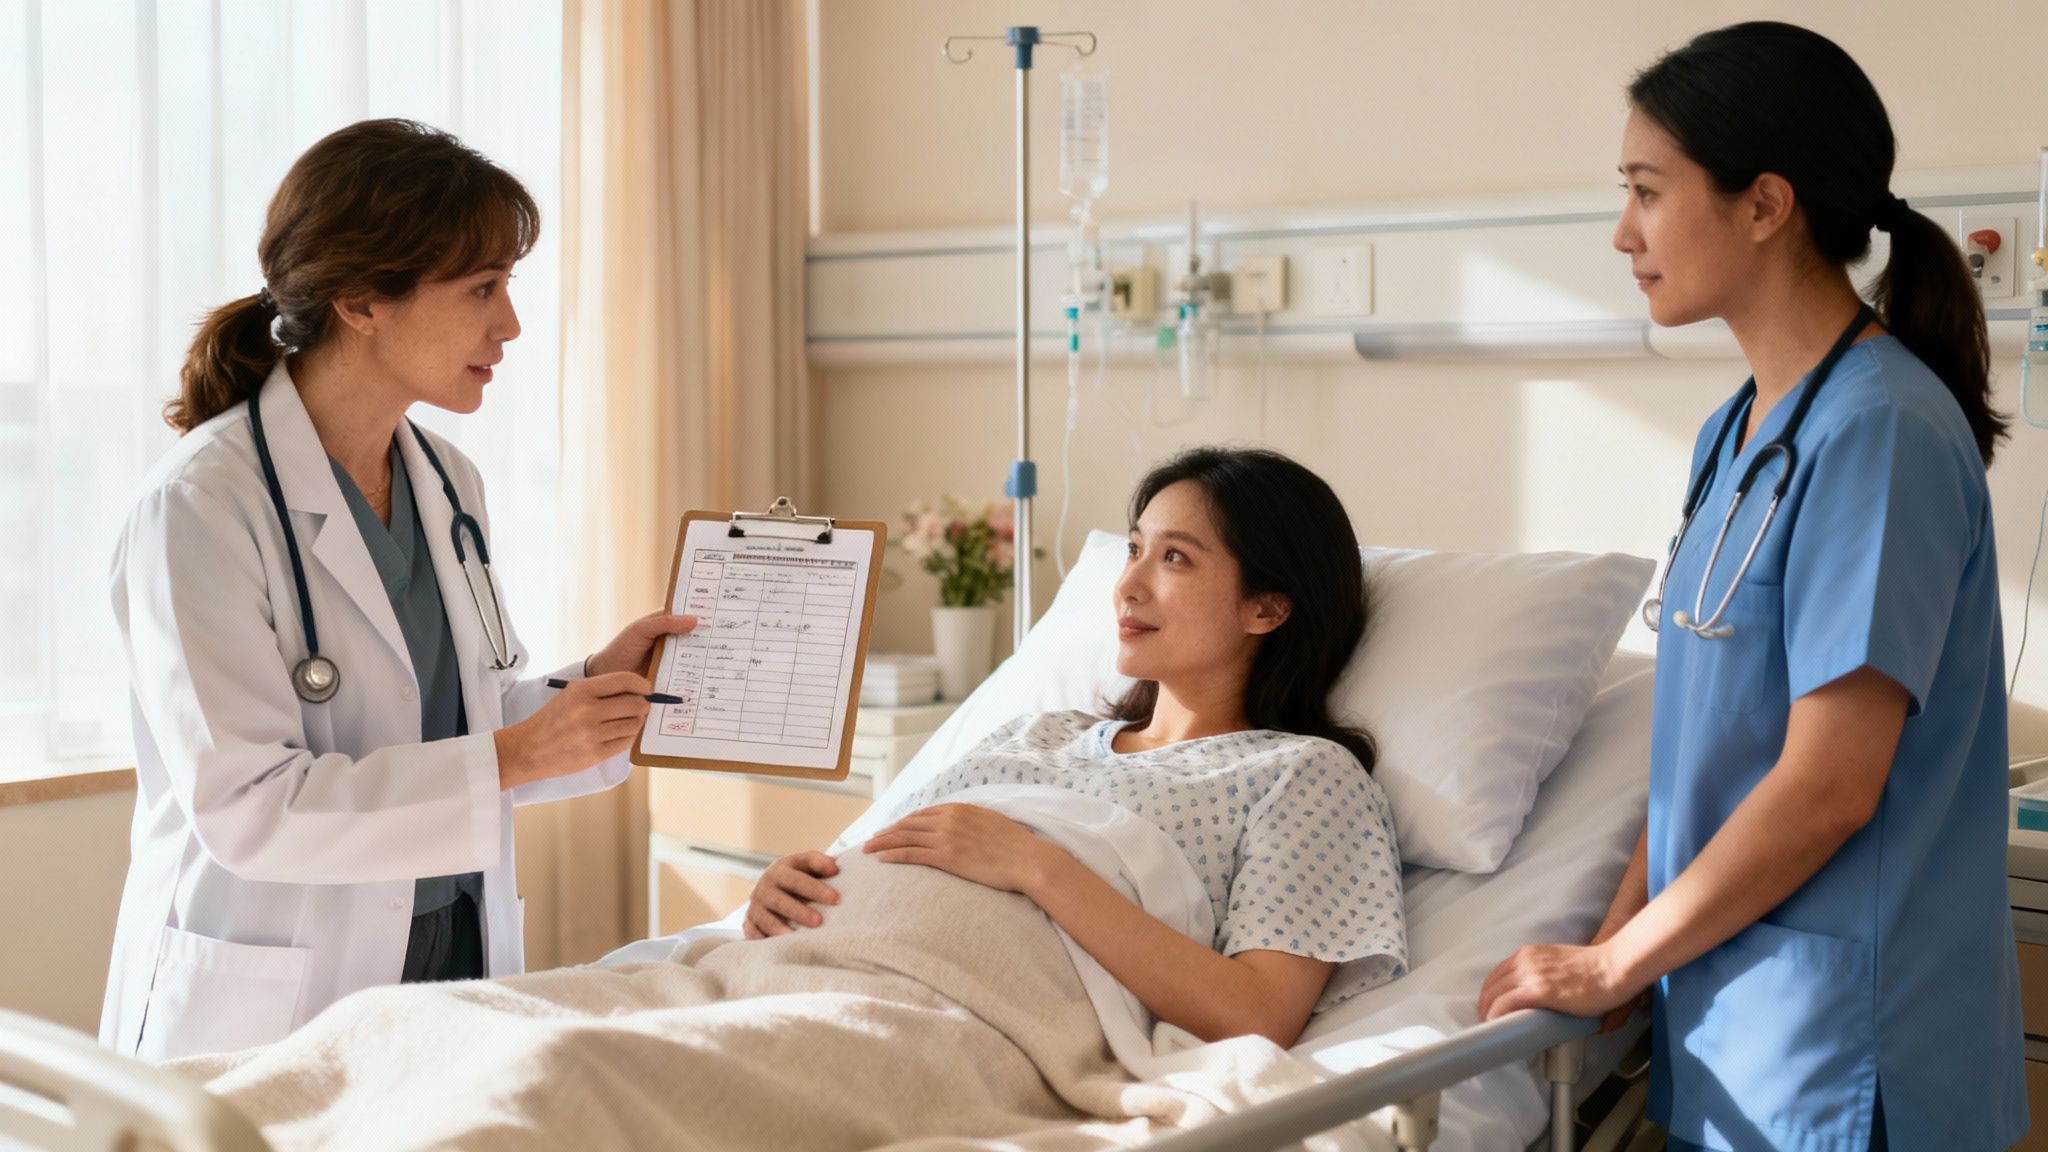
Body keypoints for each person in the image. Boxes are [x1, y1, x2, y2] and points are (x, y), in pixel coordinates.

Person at [1477, 23, 2026, 1150]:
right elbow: (1695, 756)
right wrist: (1618, 953)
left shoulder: (1877, 430)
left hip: (1850, 1056)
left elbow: (1828, 785)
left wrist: (1611, 959)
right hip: (1732, 1033)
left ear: (1763, 203)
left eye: (1645, 189)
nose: (1622, 231)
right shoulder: (1738, 430)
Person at [102, 118, 696, 1061]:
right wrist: (513, 754)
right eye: (482, 289)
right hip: (279, 992)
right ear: (361, 301)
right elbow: (251, 808)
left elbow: (459, 712)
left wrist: (586, 691)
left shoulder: (447, 479)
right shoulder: (201, 507)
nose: (509, 324)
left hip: (452, 956)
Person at [747, 446, 1406, 1047]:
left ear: (1266, 610)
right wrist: (789, 890)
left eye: (1174, 557)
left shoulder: (1301, 776)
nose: (1129, 585)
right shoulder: (1033, 734)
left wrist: (1037, 867)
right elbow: (878, 858)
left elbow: (1256, 1014)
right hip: (789, 979)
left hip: (941, 1029)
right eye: (1133, 549)